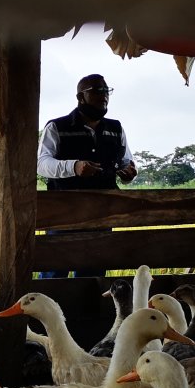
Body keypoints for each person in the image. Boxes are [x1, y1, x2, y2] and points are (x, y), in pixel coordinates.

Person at [37, 74, 137, 278]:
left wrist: (129, 173)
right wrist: (73, 167)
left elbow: (127, 162)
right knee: (56, 270)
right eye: (97, 91)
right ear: (80, 97)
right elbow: (41, 164)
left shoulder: (115, 129)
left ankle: (87, 310)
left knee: (93, 273)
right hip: (63, 213)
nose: (104, 96)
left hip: (101, 213)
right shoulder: (57, 127)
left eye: (106, 91)